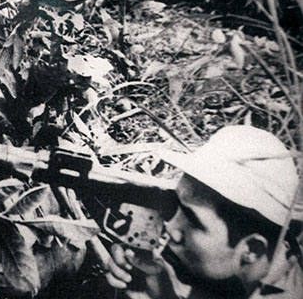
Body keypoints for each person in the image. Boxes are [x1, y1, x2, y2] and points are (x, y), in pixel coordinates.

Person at [106, 125, 302, 299]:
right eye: (178, 206)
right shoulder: (238, 265)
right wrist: (160, 286)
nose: (170, 227)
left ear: (252, 250)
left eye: (193, 220)